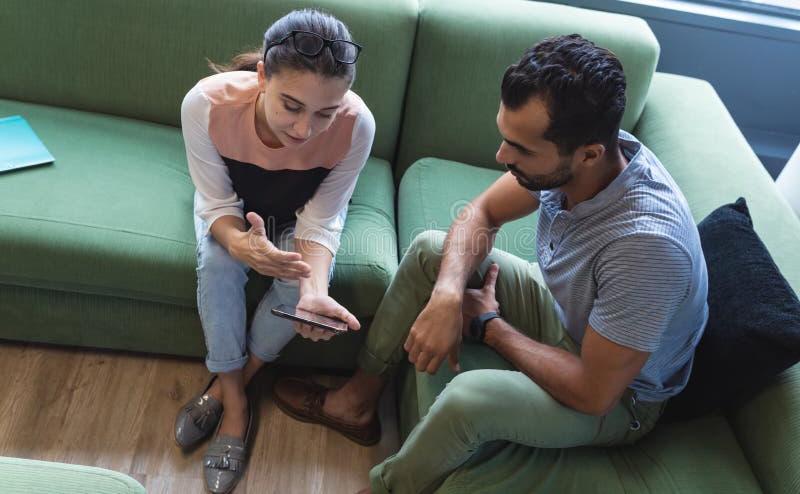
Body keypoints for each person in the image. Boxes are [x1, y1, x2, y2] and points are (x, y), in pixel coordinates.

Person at [272, 34, 709, 493]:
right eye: (506, 138)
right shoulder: (598, 152)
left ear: (589, 155)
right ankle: (356, 403)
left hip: (621, 397)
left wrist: (490, 326)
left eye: (521, 149)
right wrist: (445, 297)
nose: (502, 157)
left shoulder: (646, 249)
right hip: (567, 318)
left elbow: (594, 392)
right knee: (430, 251)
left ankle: (385, 489)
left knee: (469, 396)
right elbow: (481, 213)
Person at [174, 9, 373, 494]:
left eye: (325, 112)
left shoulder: (356, 126)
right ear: (261, 76)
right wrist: (239, 242)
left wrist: (314, 289)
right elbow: (217, 202)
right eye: (291, 105)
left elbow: (321, 220)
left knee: (297, 279)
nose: (306, 130)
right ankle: (237, 409)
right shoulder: (206, 104)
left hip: (303, 213)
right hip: (236, 209)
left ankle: (232, 382)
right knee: (220, 260)